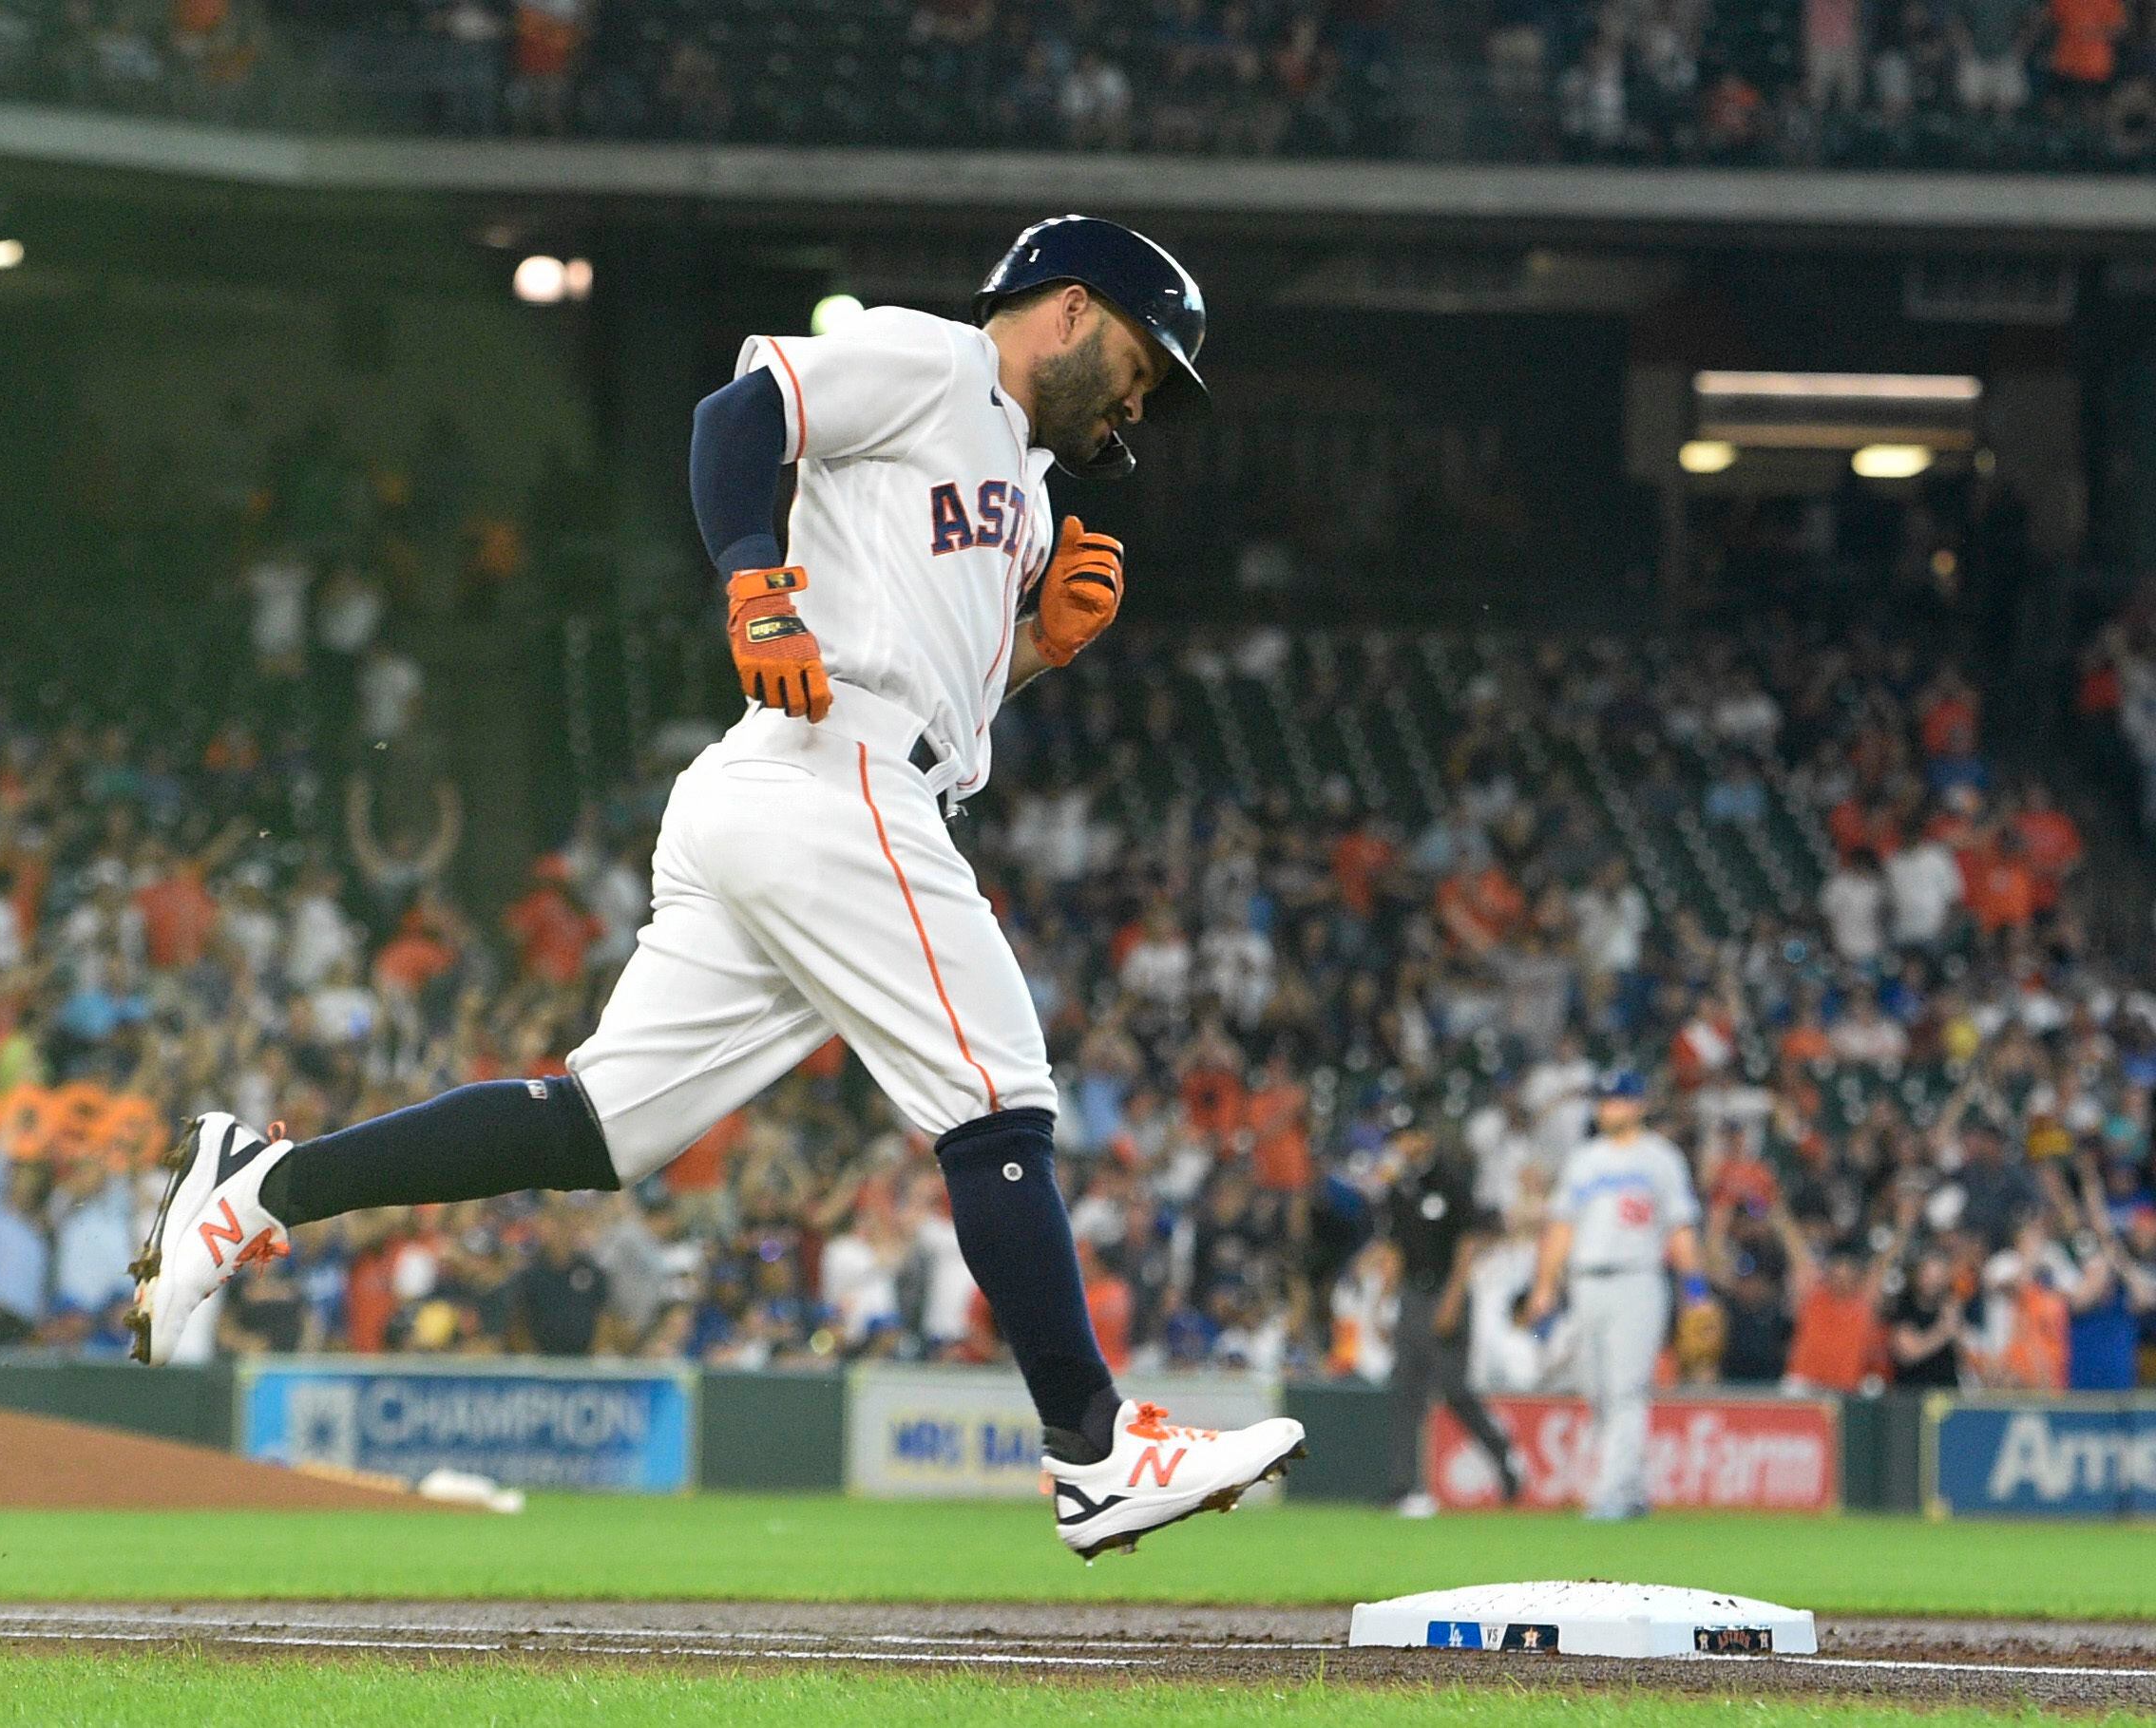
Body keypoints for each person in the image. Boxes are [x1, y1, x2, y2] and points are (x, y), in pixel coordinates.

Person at [126, 215, 1304, 1558]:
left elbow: (937, 690)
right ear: (1073, 307)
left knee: (597, 1126)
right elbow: (738, 415)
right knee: (997, 1093)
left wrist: (1034, 646)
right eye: (1150, 357)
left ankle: (260, 1186)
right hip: (829, 774)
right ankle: (1093, 1446)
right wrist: (753, 583)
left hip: (820, 786)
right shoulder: (934, 361)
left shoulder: (1026, 491)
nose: (1149, 395)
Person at [1524, 1071, 1709, 1521]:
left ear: (1639, 1105)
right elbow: (1561, 1227)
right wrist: (1545, 1286)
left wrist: (1697, 1290)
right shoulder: (1584, 1160)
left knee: (1627, 1390)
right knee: (1596, 1389)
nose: (1609, 1107)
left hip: (1638, 1281)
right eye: (1604, 1100)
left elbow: (1680, 1229)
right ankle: (1633, 1489)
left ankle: (1610, 1495)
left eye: (1618, 1100)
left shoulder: (1660, 1159)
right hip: (1586, 1283)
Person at [1378, 1127, 1521, 1516]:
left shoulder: (1450, 1178)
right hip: (1413, 1293)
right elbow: (1394, 1249)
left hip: (1446, 1289)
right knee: (1406, 1390)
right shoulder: (1397, 1188)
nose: (1403, 1145)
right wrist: (1382, 1304)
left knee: (1453, 1387)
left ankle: (1504, 1456)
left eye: (1409, 1136)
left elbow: (1468, 1241)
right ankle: (1403, 1488)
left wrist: (1453, 1299)